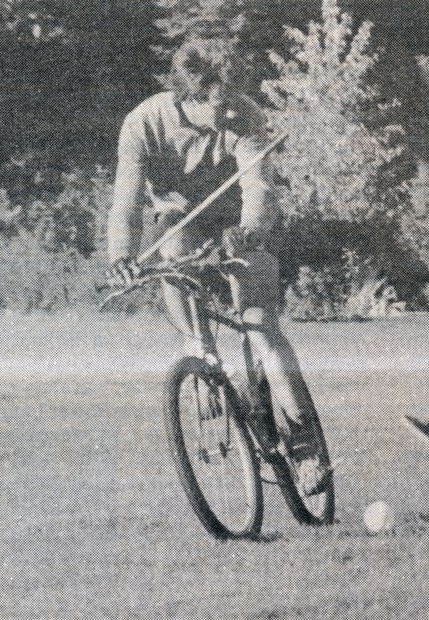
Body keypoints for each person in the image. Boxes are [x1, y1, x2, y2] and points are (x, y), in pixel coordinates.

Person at [107, 37, 326, 494]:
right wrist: (121, 256)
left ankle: (305, 450)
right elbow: (126, 203)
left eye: (231, 104)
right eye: (216, 107)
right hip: (177, 223)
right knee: (181, 291)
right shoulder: (143, 123)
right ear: (187, 98)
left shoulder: (243, 113)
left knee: (261, 326)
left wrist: (248, 231)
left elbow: (259, 186)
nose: (228, 115)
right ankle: (204, 370)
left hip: (240, 225)